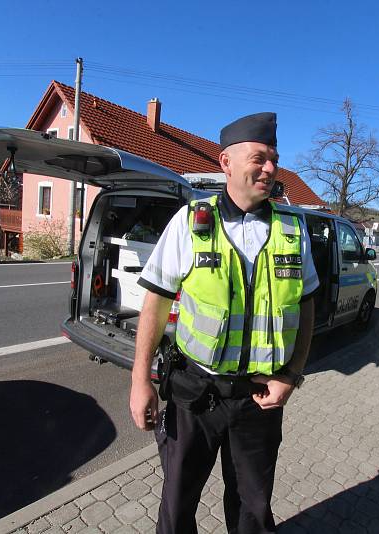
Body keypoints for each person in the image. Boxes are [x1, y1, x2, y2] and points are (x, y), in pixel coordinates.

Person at [129, 111, 319, 534]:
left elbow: (306, 308)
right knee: (177, 507)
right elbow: (155, 305)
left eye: (274, 158)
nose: (270, 168)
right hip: (195, 396)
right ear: (225, 162)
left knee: (253, 510)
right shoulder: (192, 222)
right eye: (258, 158)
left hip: (259, 400)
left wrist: (292, 374)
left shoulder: (293, 229)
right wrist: (140, 379)